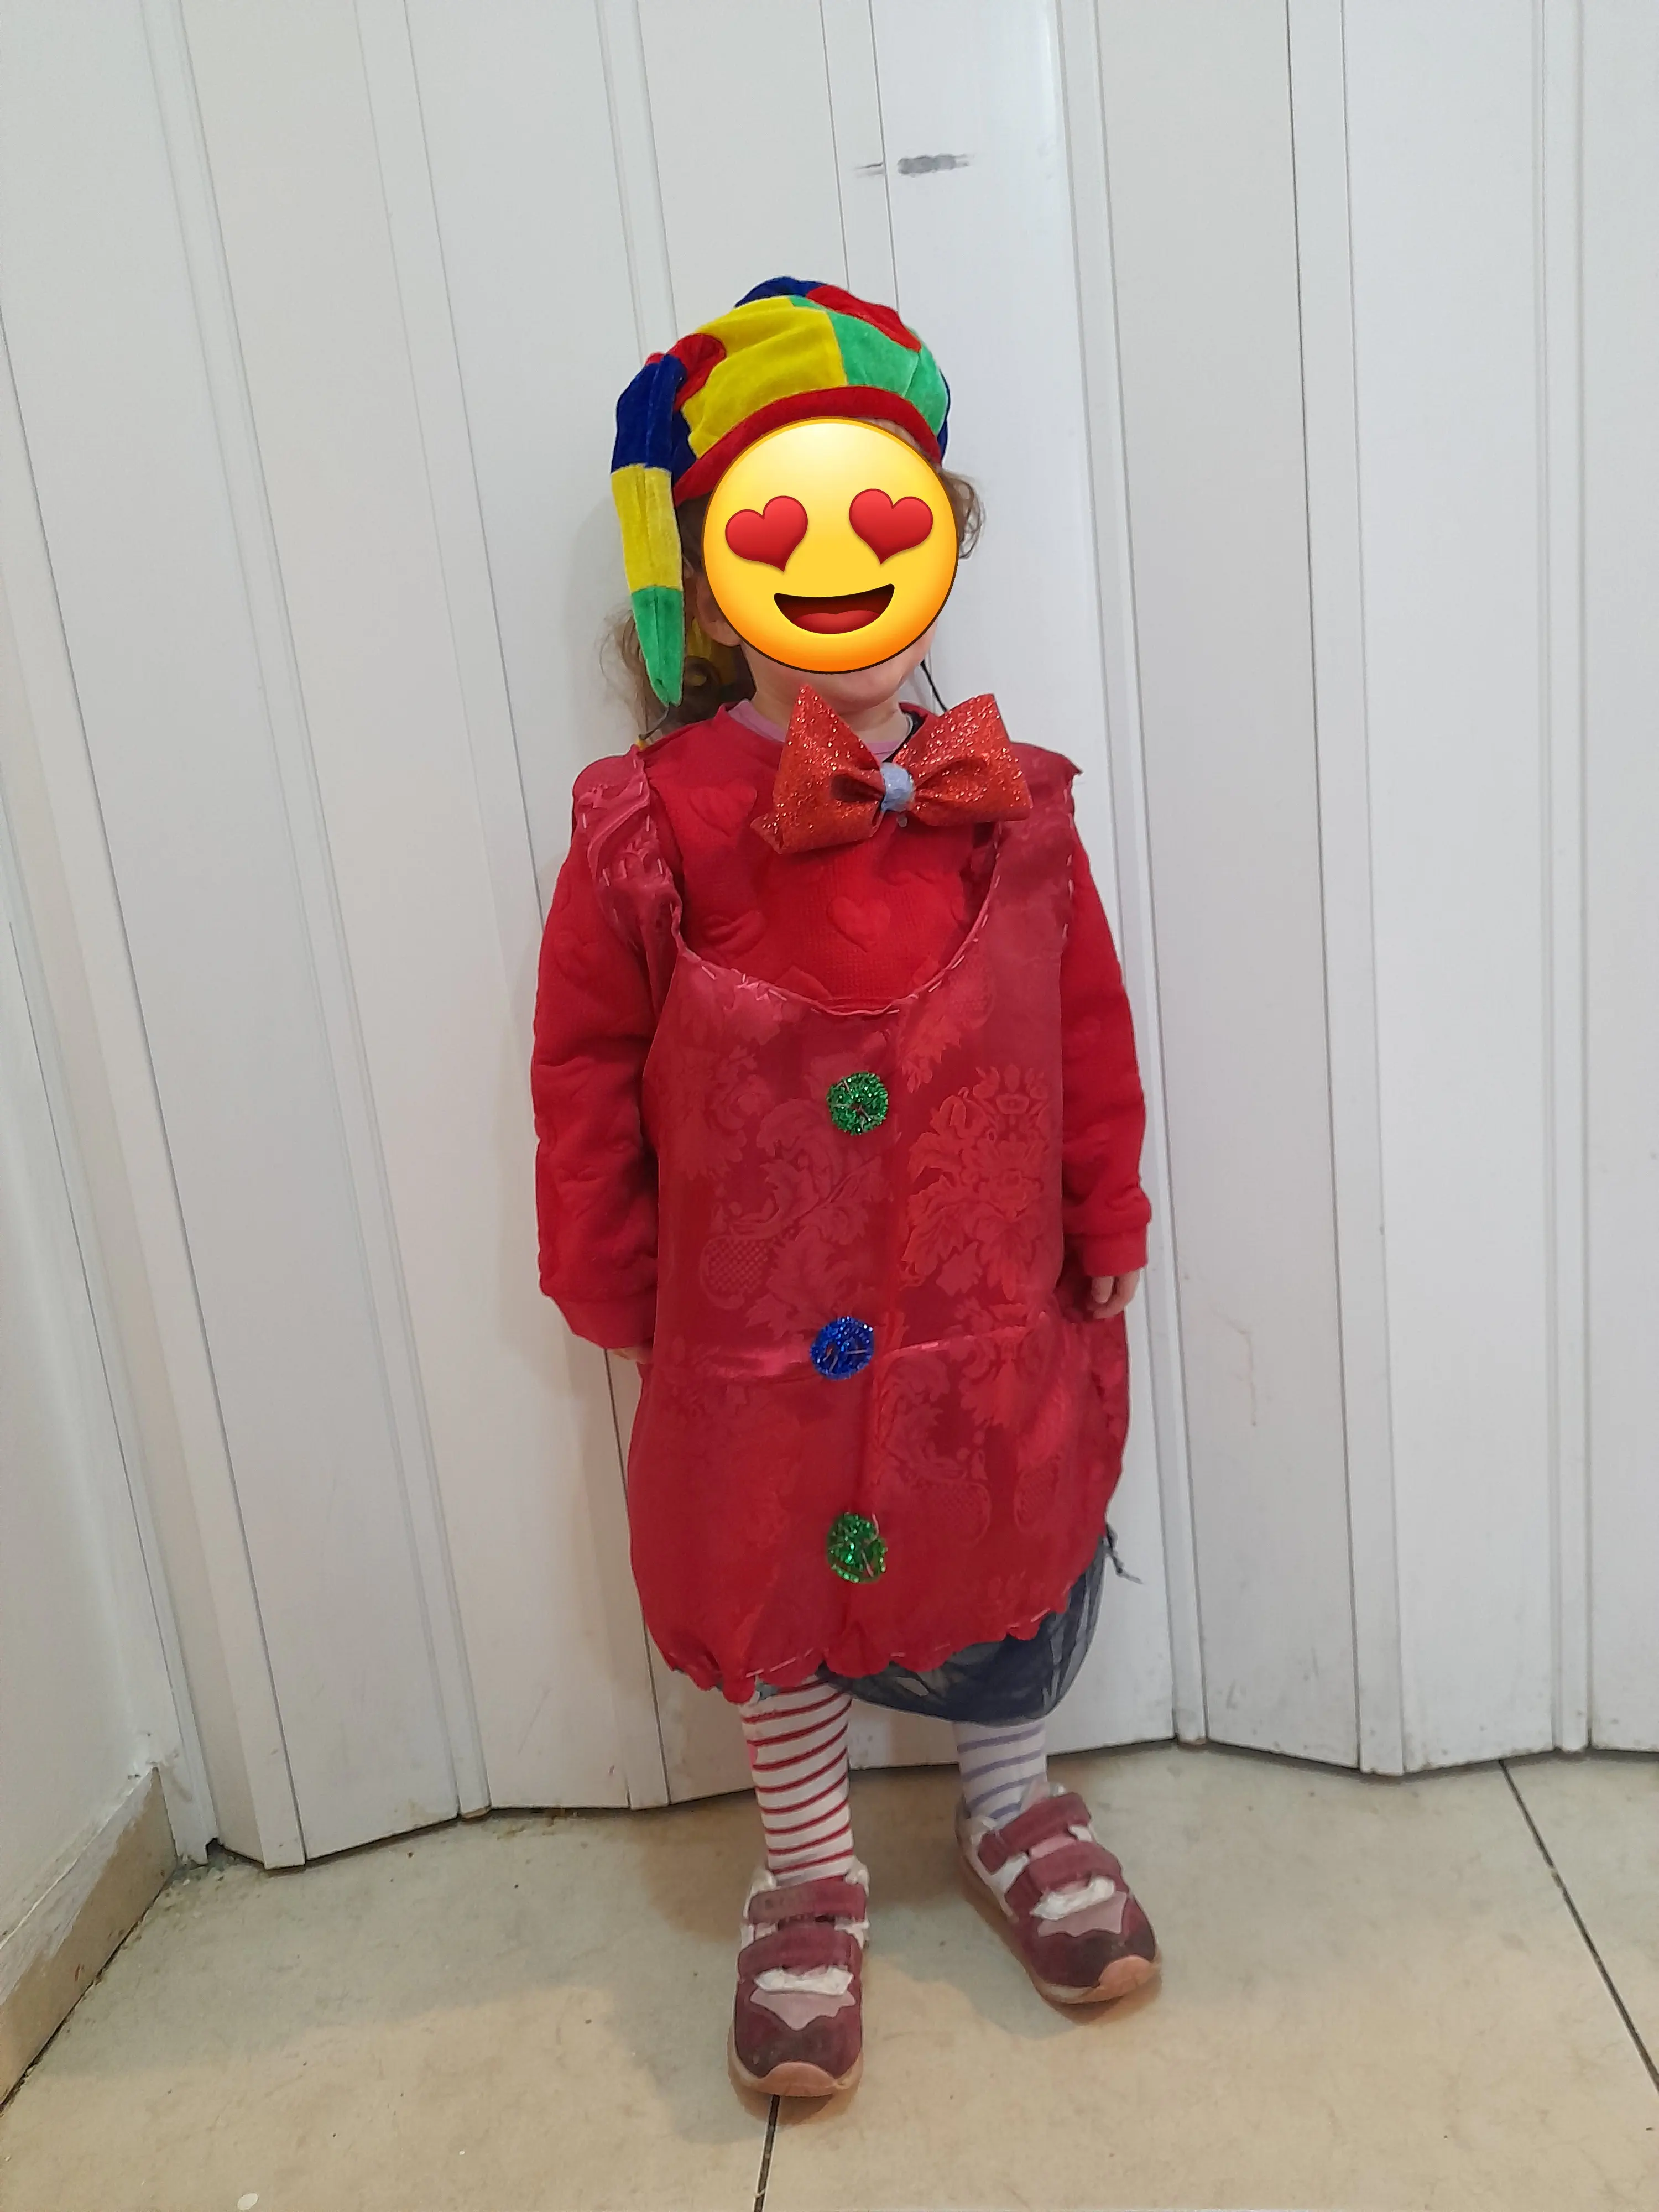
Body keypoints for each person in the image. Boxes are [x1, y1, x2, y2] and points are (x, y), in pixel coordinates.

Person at [532, 279, 1157, 2099]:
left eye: (885, 520)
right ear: (713, 581)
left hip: (984, 1295)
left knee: (1006, 1540)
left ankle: (1011, 1801)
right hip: (755, 1325)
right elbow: (584, 1068)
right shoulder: (649, 827)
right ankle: (807, 1873)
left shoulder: (1010, 806)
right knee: (769, 1578)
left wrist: (1108, 1217)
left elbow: (1085, 1025)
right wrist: (611, 1277)